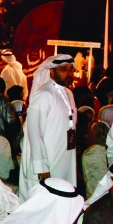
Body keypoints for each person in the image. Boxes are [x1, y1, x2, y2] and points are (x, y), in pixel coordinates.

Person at [19, 54, 78, 192]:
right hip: (47, 160)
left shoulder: (68, 93)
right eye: (63, 69)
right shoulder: (44, 95)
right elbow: (34, 132)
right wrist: (41, 166)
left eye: (71, 69)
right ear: (51, 71)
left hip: (65, 155)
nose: (69, 73)